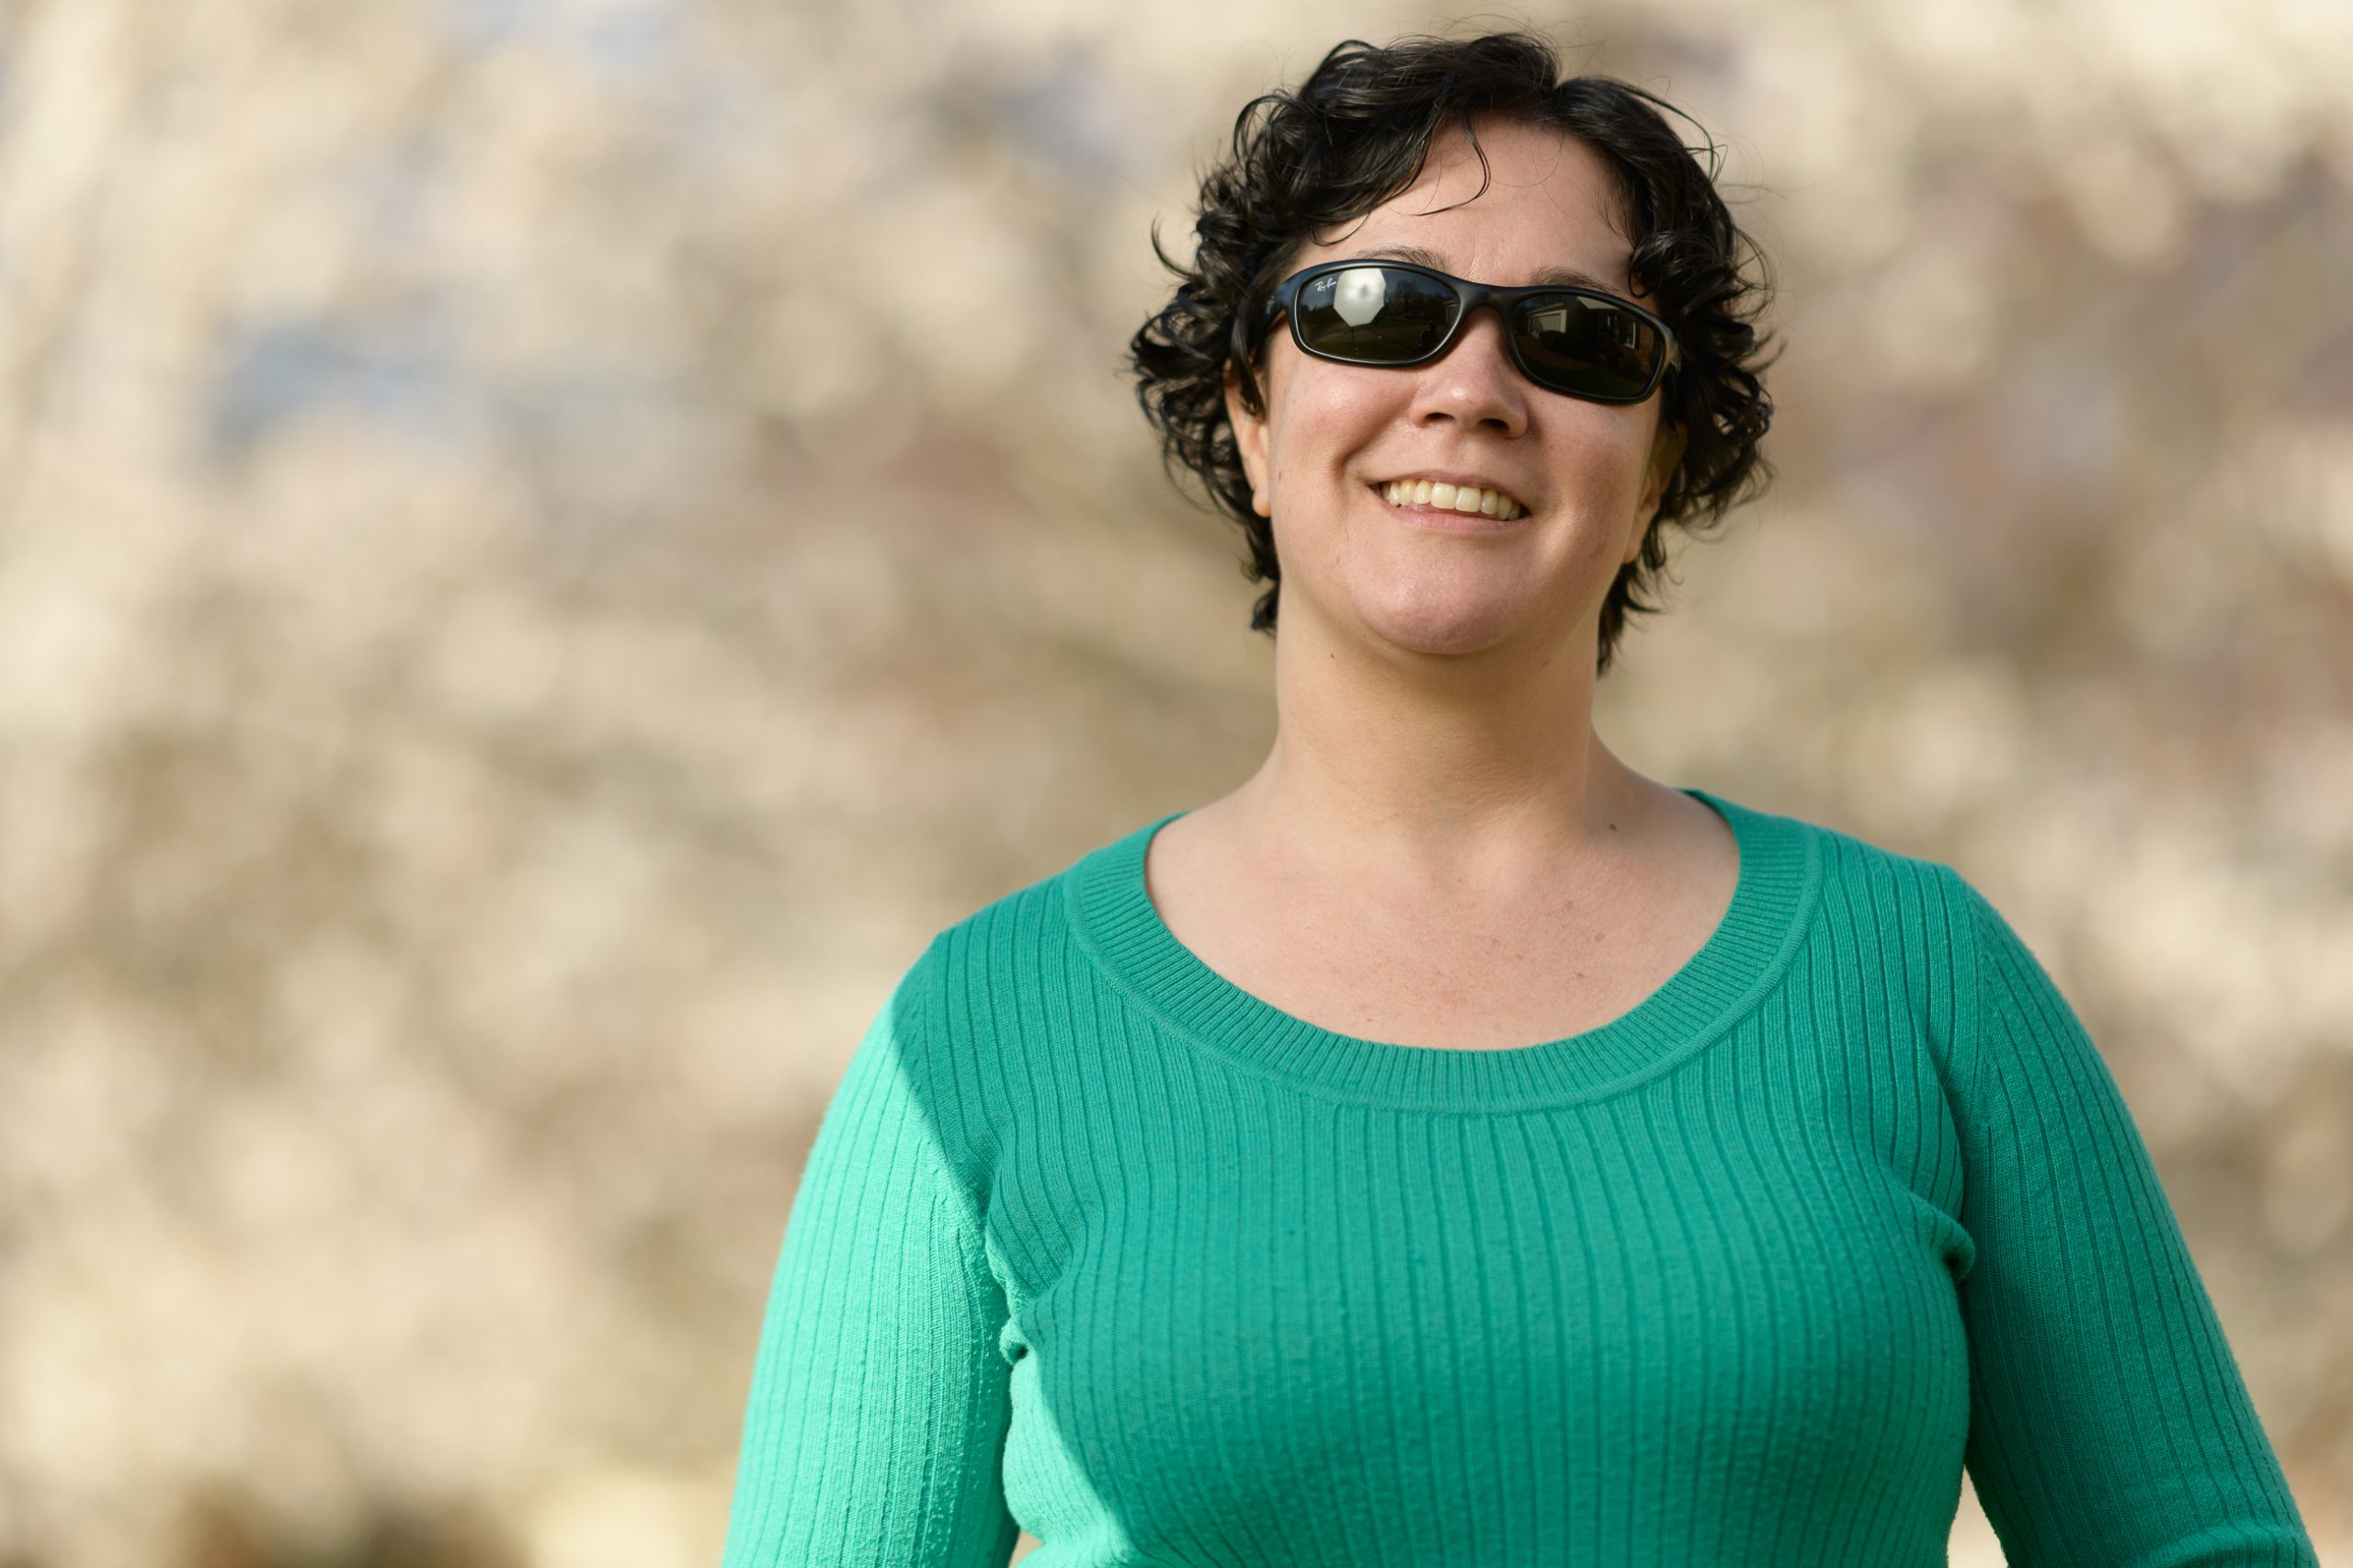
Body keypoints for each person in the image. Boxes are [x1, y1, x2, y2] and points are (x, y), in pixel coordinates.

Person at [718, 30, 2322, 1568]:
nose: (1472, 385)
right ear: (1251, 415)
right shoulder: (984, 1034)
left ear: (1661, 458)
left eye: (1577, 340)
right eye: (1373, 307)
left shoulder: (1919, 982)